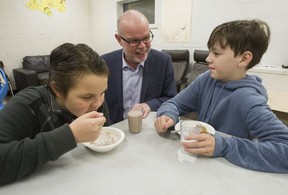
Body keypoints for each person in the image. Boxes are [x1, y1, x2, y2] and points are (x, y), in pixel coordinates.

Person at [154, 19, 288, 173]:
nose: (208, 58)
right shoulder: (207, 79)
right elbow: (174, 103)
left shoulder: (248, 100)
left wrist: (223, 146)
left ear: (244, 59)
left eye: (216, 53)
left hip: (229, 175)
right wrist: (168, 114)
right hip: (198, 168)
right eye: (210, 51)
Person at [0, 43, 110, 185]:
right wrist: (70, 136)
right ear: (57, 89)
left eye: (102, 92)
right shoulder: (28, 104)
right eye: (87, 97)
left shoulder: (96, 101)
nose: (98, 104)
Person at [102, 9, 177, 124]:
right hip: (114, 131)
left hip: (147, 129)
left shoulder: (163, 62)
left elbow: (171, 98)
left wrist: (149, 105)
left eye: (146, 38)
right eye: (134, 41)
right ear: (119, 40)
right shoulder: (104, 63)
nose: (142, 46)